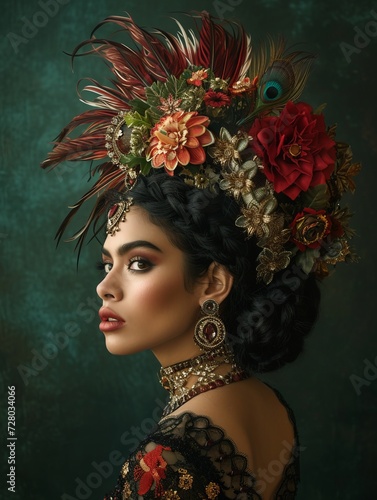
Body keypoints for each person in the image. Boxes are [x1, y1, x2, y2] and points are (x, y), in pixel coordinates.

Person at [41, 10, 360, 499]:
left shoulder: (166, 461)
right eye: (109, 263)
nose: (106, 286)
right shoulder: (266, 405)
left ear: (214, 281)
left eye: (140, 262)